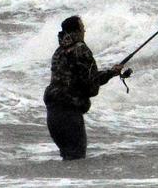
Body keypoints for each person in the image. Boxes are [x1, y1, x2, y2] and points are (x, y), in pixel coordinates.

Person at [43, 15, 123, 160]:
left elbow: (76, 79)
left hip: (53, 114)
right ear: (76, 31)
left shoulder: (59, 52)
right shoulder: (81, 49)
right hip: (69, 114)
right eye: (82, 28)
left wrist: (110, 73)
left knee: (67, 160)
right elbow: (90, 86)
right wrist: (111, 73)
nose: (84, 31)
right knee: (76, 160)